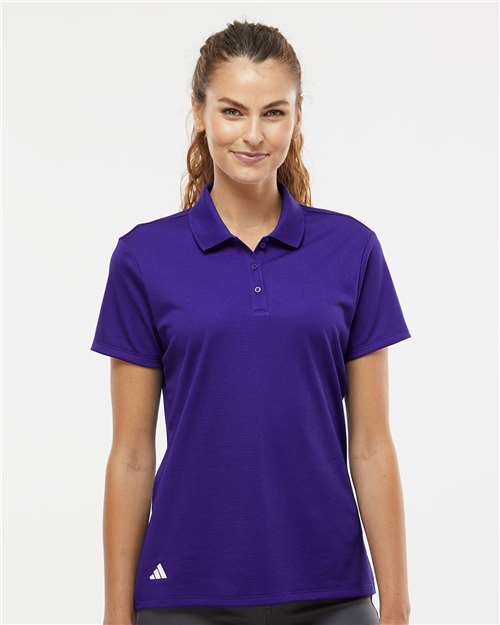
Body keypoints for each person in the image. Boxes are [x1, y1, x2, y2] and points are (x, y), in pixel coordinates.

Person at [90, 19, 412, 625]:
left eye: (274, 113)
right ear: (200, 113)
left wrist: (396, 609)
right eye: (233, 111)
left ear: (297, 118)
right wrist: (115, 614)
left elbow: (371, 444)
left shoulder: (352, 251)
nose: (254, 134)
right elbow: (131, 454)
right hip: (184, 596)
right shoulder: (143, 257)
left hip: (332, 593)